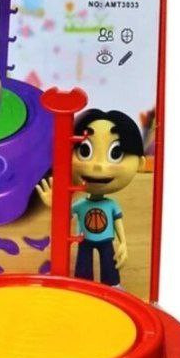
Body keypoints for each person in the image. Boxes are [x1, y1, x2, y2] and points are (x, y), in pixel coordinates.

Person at [36, 108, 144, 287]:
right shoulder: (80, 205)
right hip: (84, 241)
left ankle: (112, 286)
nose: (99, 167)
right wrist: (55, 204)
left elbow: (118, 223)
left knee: (109, 267)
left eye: (115, 153)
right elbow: (64, 218)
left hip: (106, 241)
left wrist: (123, 243)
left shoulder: (111, 205)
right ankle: (83, 287)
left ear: (140, 163)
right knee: (83, 268)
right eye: (85, 150)